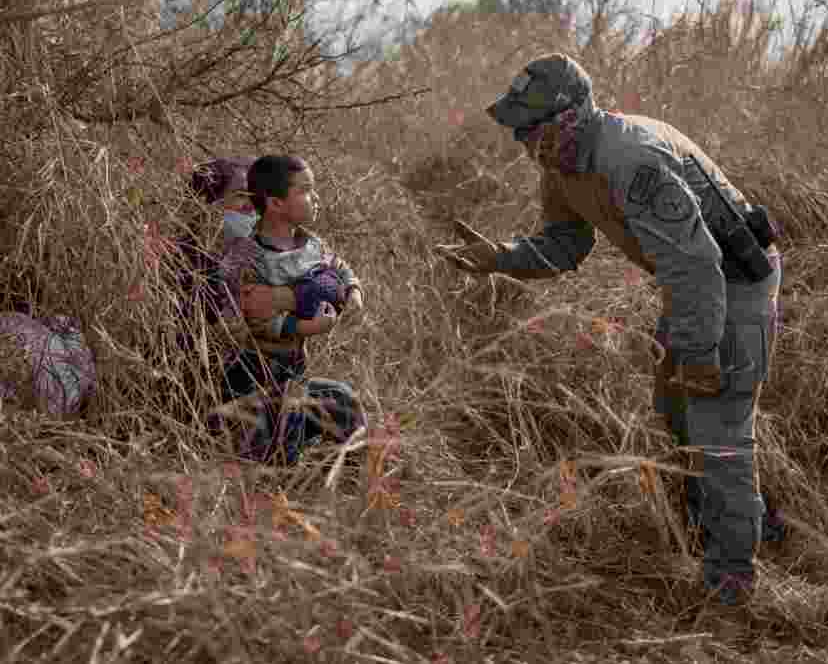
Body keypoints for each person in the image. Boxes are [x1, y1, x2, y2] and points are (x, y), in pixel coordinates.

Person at [435, 53, 782, 611]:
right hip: (694, 284)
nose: (522, 141)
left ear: (566, 117)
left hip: (732, 284)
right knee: (675, 410)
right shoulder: (563, 165)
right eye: (518, 130)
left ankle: (731, 587)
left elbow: (696, 262)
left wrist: (696, 350)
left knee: (718, 430)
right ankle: (727, 532)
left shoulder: (631, 160)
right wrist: (498, 257)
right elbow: (565, 245)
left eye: (530, 127)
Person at [215, 155, 366, 465]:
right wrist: (306, 328)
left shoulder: (311, 244)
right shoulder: (245, 256)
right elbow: (254, 320)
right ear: (275, 203)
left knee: (345, 404)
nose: (315, 198)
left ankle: (356, 480)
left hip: (294, 371)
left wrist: (353, 290)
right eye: (306, 190)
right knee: (280, 440)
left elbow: (338, 267)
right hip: (254, 376)